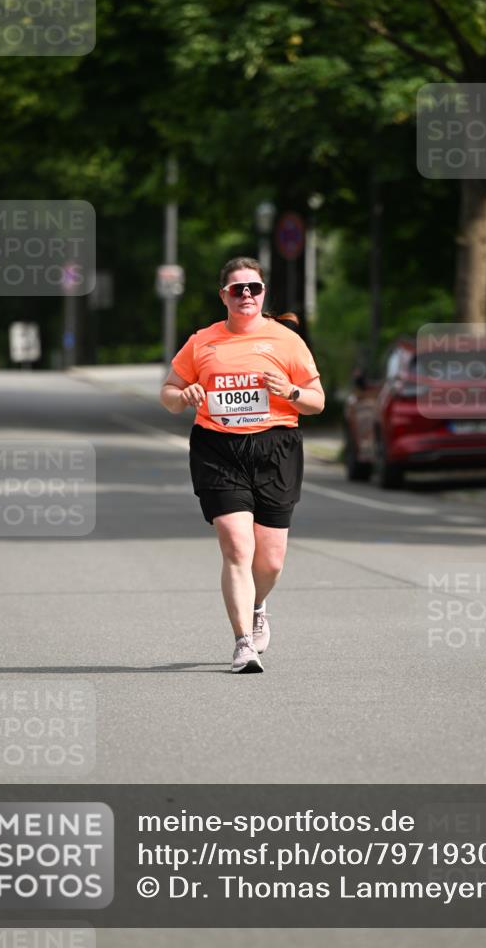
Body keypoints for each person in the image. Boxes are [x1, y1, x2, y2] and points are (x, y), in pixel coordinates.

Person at [160, 257, 325, 673]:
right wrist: (184, 397)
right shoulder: (202, 341)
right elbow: (168, 390)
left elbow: (317, 400)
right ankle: (242, 645)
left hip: (276, 448)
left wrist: (289, 389)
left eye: (253, 287)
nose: (246, 295)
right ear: (224, 296)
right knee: (237, 545)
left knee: (269, 561)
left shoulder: (286, 341)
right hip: (218, 448)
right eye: (237, 289)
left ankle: (257, 604)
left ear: (263, 292)